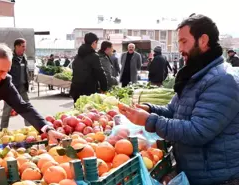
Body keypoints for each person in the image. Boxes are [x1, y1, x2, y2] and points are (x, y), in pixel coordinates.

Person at [121, 14, 239, 185]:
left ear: (203, 40)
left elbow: (198, 132)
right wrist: (149, 108)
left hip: (218, 179)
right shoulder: (196, 75)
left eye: (184, 42)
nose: (180, 49)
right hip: (197, 174)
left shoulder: (222, 79)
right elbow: (172, 111)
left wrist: (149, 120)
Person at [0, 38, 31, 130]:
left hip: (23, 88)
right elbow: (4, 73)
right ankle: (3, 129)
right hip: (11, 88)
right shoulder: (10, 58)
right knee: (7, 110)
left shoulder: (24, 58)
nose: (25, 48)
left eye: (25, 46)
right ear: (16, 46)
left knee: (27, 108)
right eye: (23, 46)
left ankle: (29, 128)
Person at [70, 32, 108, 103]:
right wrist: (104, 88)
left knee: (78, 111)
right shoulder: (94, 56)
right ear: (94, 42)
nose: (97, 45)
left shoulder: (77, 56)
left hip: (75, 89)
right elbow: (100, 73)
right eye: (97, 43)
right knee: (88, 112)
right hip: (88, 90)